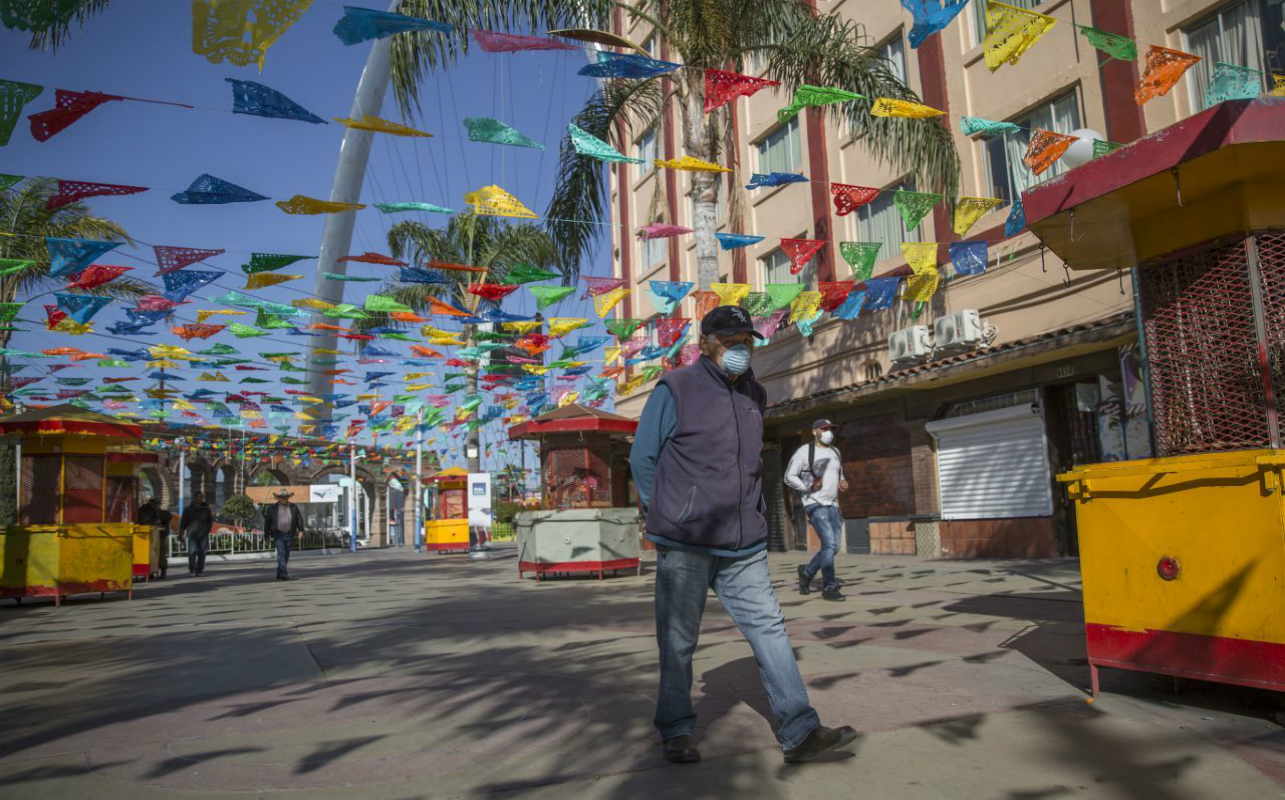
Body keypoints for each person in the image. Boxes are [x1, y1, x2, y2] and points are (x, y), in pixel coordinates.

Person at [630, 305, 857, 766]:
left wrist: (752, 514)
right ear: (707, 343)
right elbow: (642, 459)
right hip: (687, 542)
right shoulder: (675, 388)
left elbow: (749, 465)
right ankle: (676, 729)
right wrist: (670, 517)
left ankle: (800, 730)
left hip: (745, 544)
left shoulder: (755, 393)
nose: (741, 348)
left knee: (770, 629)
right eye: (732, 341)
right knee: (678, 639)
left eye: (747, 340)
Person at [785, 420, 851, 601]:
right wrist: (808, 487)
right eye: (825, 429)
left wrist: (842, 482)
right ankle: (829, 587)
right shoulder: (805, 452)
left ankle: (807, 571)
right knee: (829, 544)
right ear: (815, 432)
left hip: (833, 505)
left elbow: (839, 473)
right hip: (814, 503)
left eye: (831, 429)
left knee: (835, 546)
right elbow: (789, 476)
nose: (829, 432)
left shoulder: (836, 452)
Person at [262, 488, 303, 581]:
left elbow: (299, 519)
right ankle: (284, 573)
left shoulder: (293, 507)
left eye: (285, 497)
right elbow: (267, 522)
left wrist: (301, 530)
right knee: (281, 552)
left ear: (288, 498)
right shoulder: (272, 508)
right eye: (281, 497)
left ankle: (279, 572)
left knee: (287, 554)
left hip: (289, 533)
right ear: (278, 498)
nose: (283, 499)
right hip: (278, 533)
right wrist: (266, 535)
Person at [138, 497, 174, 579]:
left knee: (160, 554)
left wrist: (157, 511)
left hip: (160, 536)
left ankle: (162, 571)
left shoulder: (162, 513)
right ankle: (150, 573)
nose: (154, 506)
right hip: (149, 536)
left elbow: (166, 517)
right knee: (148, 555)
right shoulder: (145, 511)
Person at [179, 493, 214, 577]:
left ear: (203, 498)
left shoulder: (206, 509)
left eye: (201, 497)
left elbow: (210, 521)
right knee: (192, 551)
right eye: (197, 497)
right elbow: (183, 522)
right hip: (192, 534)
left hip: (203, 534)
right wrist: (181, 533)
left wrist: (207, 530)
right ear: (194, 498)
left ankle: (200, 570)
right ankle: (192, 569)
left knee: (203, 553)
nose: (199, 499)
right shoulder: (187, 509)